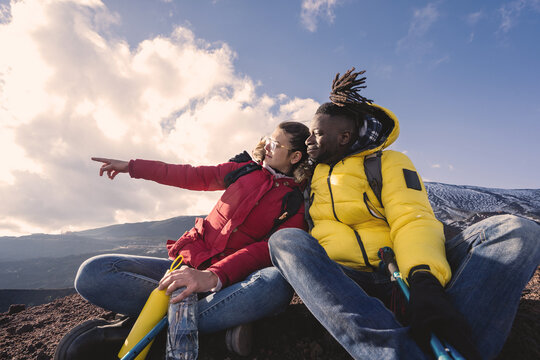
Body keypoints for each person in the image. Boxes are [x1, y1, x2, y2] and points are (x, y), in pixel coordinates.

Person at [268, 68, 540, 360]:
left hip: (402, 268)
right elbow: (271, 170)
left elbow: (412, 217)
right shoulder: (307, 176)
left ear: (344, 137)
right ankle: (400, 353)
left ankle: (456, 343)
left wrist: (423, 277)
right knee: (286, 241)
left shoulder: (386, 162)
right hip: (346, 281)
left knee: (519, 231)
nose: (309, 140)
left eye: (318, 134)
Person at [56, 121, 312, 359]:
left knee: (275, 284)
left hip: (230, 284)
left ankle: (148, 327)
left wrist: (213, 276)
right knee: (93, 272)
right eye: (268, 140)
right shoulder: (243, 170)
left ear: (295, 157)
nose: (267, 146)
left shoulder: (295, 202)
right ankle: (217, 331)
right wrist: (133, 167)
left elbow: (265, 250)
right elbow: (191, 175)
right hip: (187, 267)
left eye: (276, 145)